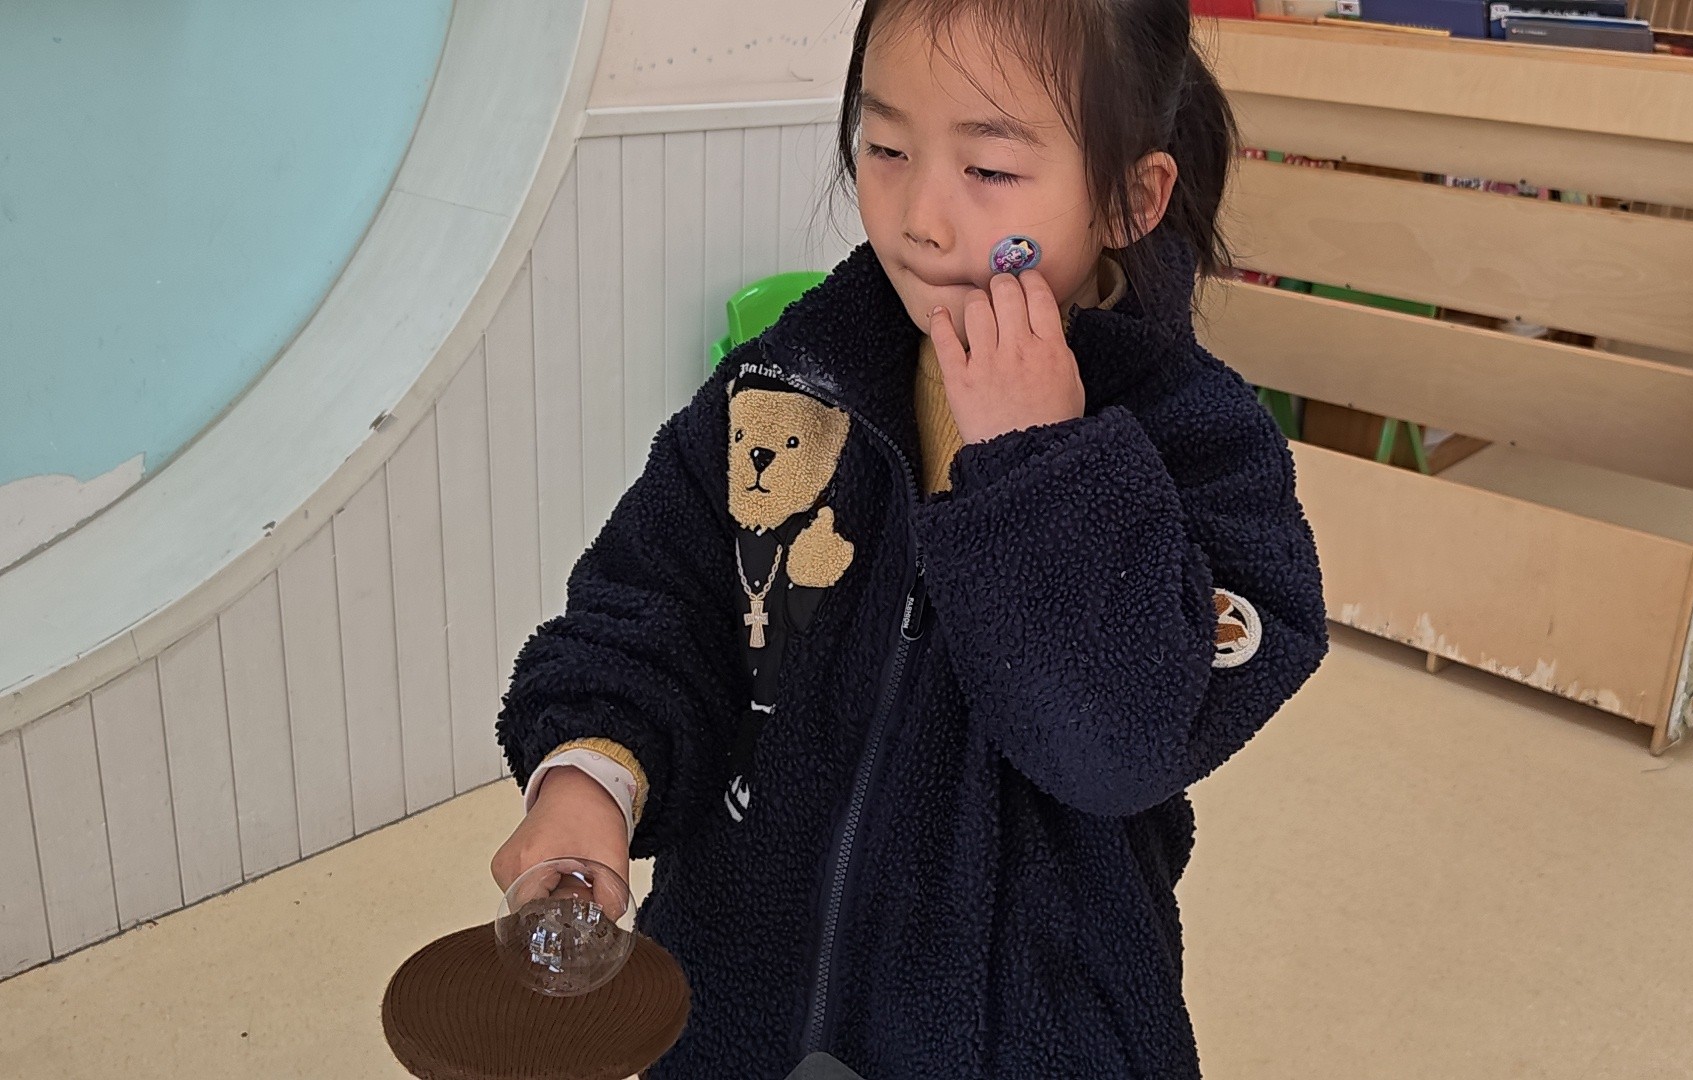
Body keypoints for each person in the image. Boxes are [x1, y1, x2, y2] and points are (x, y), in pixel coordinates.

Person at [492, 0, 1328, 1075]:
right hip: (735, 1007)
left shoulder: (1203, 447)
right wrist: (589, 776)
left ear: (1130, 196)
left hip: (1026, 1036)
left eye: (990, 168)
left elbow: (1116, 745)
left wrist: (1040, 462)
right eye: (885, 148)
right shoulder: (791, 385)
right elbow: (651, 605)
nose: (920, 218)